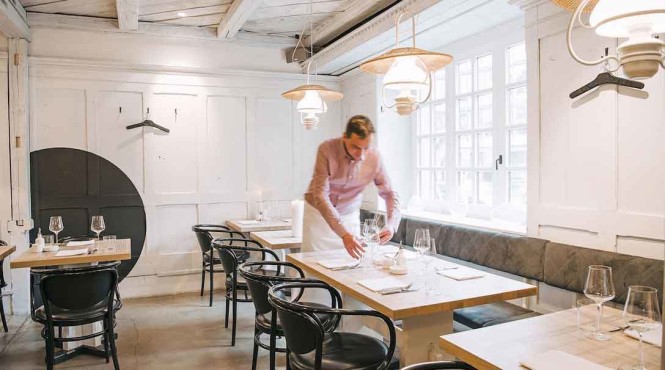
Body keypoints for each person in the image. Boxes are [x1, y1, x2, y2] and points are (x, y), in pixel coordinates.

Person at [302, 115, 400, 259]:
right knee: (313, 267)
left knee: (349, 267)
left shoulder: (374, 158)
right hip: (319, 218)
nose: (361, 154)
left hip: (349, 217)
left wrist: (391, 225)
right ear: (344, 137)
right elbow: (321, 195)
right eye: (355, 147)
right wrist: (343, 234)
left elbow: (390, 193)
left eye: (366, 148)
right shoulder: (327, 149)